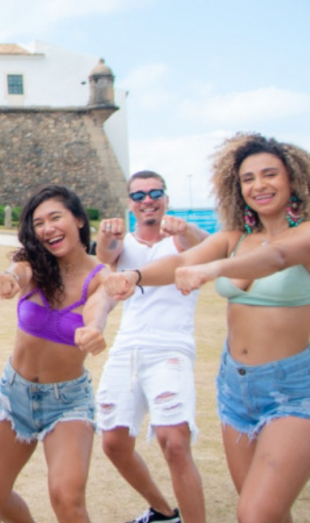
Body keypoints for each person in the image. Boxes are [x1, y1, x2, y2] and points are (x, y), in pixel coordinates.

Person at [105, 133, 310, 523]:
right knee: (270, 513)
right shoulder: (235, 238)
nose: (259, 185)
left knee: (254, 514)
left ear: (294, 179)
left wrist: (214, 269)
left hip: (293, 390)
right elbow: (183, 261)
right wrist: (134, 276)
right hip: (236, 390)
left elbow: (277, 256)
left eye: (269, 174)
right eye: (248, 178)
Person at [0, 184, 112, 523]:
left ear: (79, 220)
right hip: (14, 394)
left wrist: (94, 329)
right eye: (38, 223)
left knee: (67, 499)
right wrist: (8, 278)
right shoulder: (34, 265)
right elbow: (18, 272)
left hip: (67, 401)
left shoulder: (100, 277)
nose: (47, 228)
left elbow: (99, 307)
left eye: (56, 218)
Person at [95, 171, 208, 523]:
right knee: (113, 443)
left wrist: (184, 229)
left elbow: (205, 245)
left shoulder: (182, 241)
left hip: (170, 348)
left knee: (174, 442)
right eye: (139, 195)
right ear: (130, 203)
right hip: (127, 348)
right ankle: (163, 512)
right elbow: (105, 256)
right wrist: (106, 234)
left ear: (166, 199)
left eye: (156, 193)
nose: (148, 200)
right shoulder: (124, 244)